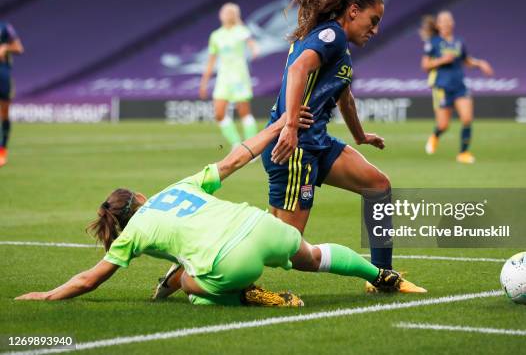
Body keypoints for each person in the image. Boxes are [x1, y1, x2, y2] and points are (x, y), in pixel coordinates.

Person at [15, 109, 426, 306]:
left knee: (191, 286)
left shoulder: (134, 235)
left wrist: (48, 295)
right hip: (263, 226)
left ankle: (257, 297)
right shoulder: (178, 187)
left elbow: (90, 279)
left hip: (233, 262)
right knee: (312, 255)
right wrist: (280, 123)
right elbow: (235, 158)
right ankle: (383, 275)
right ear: (140, 197)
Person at [261, 0, 395, 292]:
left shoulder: (338, 45)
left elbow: (344, 96)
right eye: (372, 20)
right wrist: (291, 125)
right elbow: (297, 70)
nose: (375, 30)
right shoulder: (331, 36)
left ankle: (382, 276)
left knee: (379, 186)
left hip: (317, 143)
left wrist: (360, 136)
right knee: (286, 249)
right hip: (297, 149)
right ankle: (198, 262)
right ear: (352, 11)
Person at [421, 11, 493, 164]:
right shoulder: (433, 42)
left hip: (460, 86)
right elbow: (425, 65)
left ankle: (463, 153)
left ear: (453, 24)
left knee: (467, 118)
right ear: (438, 25)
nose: (446, 23)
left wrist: (480, 63)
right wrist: (442, 60)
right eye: (442, 21)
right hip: (442, 88)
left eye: (448, 21)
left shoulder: (459, 42)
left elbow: (465, 60)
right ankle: (435, 135)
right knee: (443, 125)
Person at [199, 3, 259, 150]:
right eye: (223, 12)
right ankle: (236, 144)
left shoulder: (241, 31)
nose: (225, 15)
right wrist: (204, 82)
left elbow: (253, 45)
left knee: (244, 112)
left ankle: (251, 148)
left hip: (239, 77)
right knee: (219, 113)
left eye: (228, 13)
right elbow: (211, 60)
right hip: (223, 79)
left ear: (234, 15)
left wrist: (254, 49)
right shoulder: (216, 35)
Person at [0, 20, 24, 167]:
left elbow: (19, 48)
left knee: (4, 113)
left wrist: (5, 47)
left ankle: (2, 151)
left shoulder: (4, 27)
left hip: (2, 74)